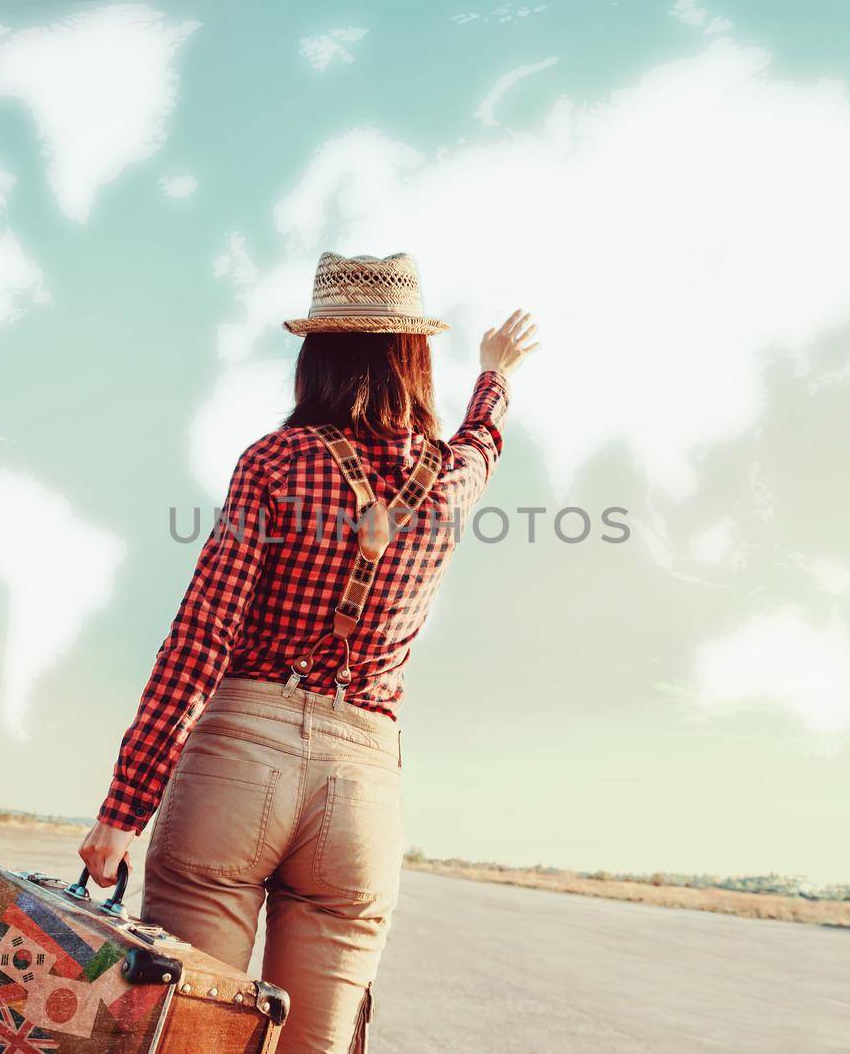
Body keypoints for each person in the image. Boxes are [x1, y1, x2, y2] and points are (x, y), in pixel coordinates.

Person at [79, 251, 538, 1052]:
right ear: (413, 356)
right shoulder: (448, 480)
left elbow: (202, 635)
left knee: (190, 1035)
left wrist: (123, 812)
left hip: (237, 763)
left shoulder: (275, 462)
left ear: (315, 354)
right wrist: (494, 372)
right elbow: (483, 439)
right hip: (360, 788)